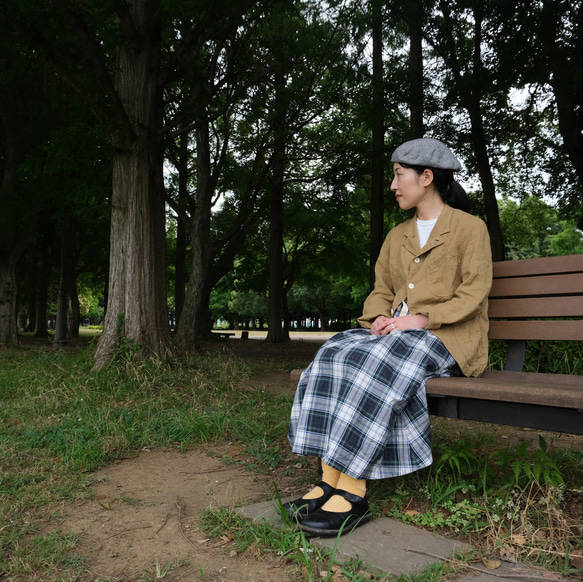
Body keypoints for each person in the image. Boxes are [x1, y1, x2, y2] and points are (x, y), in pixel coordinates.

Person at [285, 138, 492, 537]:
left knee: (379, 362)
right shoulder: (397, 235)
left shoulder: (469, 228)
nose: (394, 185)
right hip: (396, 337)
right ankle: (329, 478)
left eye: (399, 176)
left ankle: (353, 492)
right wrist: (379, 317)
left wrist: (422, 319)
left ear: (426, 177)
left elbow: (474, 291)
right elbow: (381, 289)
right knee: (335, 352)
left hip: (449, 337)